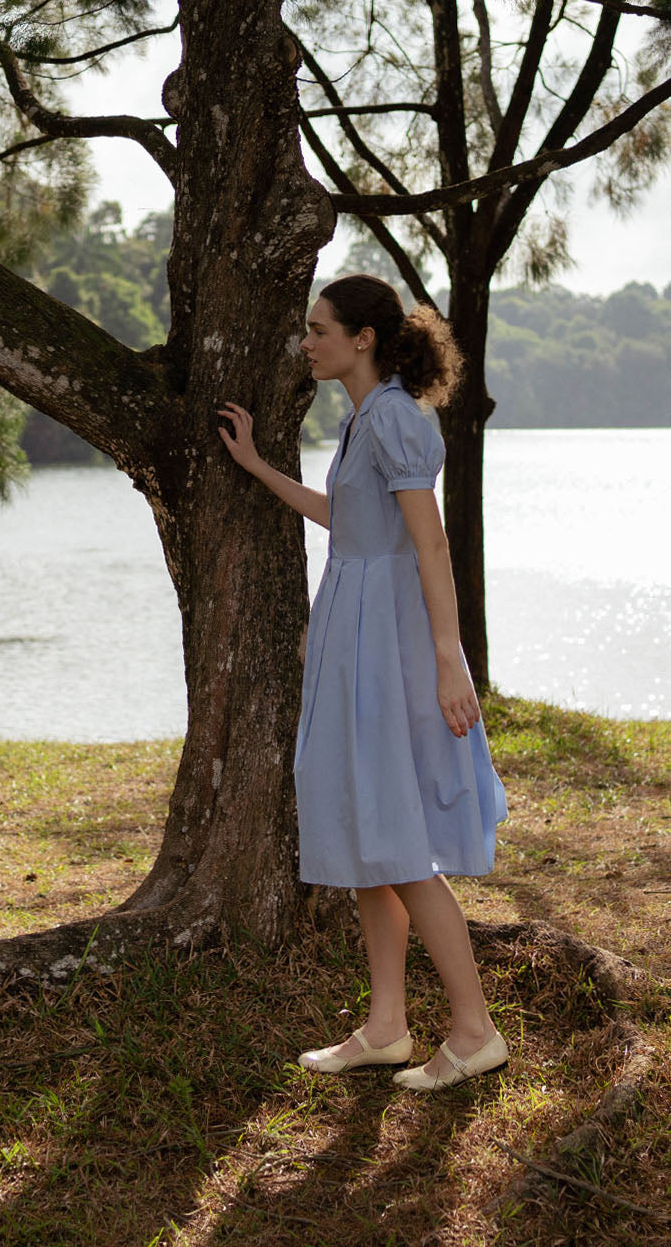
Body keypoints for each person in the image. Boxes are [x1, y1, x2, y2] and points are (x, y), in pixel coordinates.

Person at [218, 273, 508, 1091]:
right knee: (367, 838)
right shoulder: (363, 422)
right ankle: (386, 1027)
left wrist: (451, 661)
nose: (306, 342)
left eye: (318, 329)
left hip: (391, 642)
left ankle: (475, 1031)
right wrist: (257, 467)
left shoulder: (397, 422)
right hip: (353, 633)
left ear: (363, 339)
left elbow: (431, 546)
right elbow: (349, 522)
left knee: (398, 838)